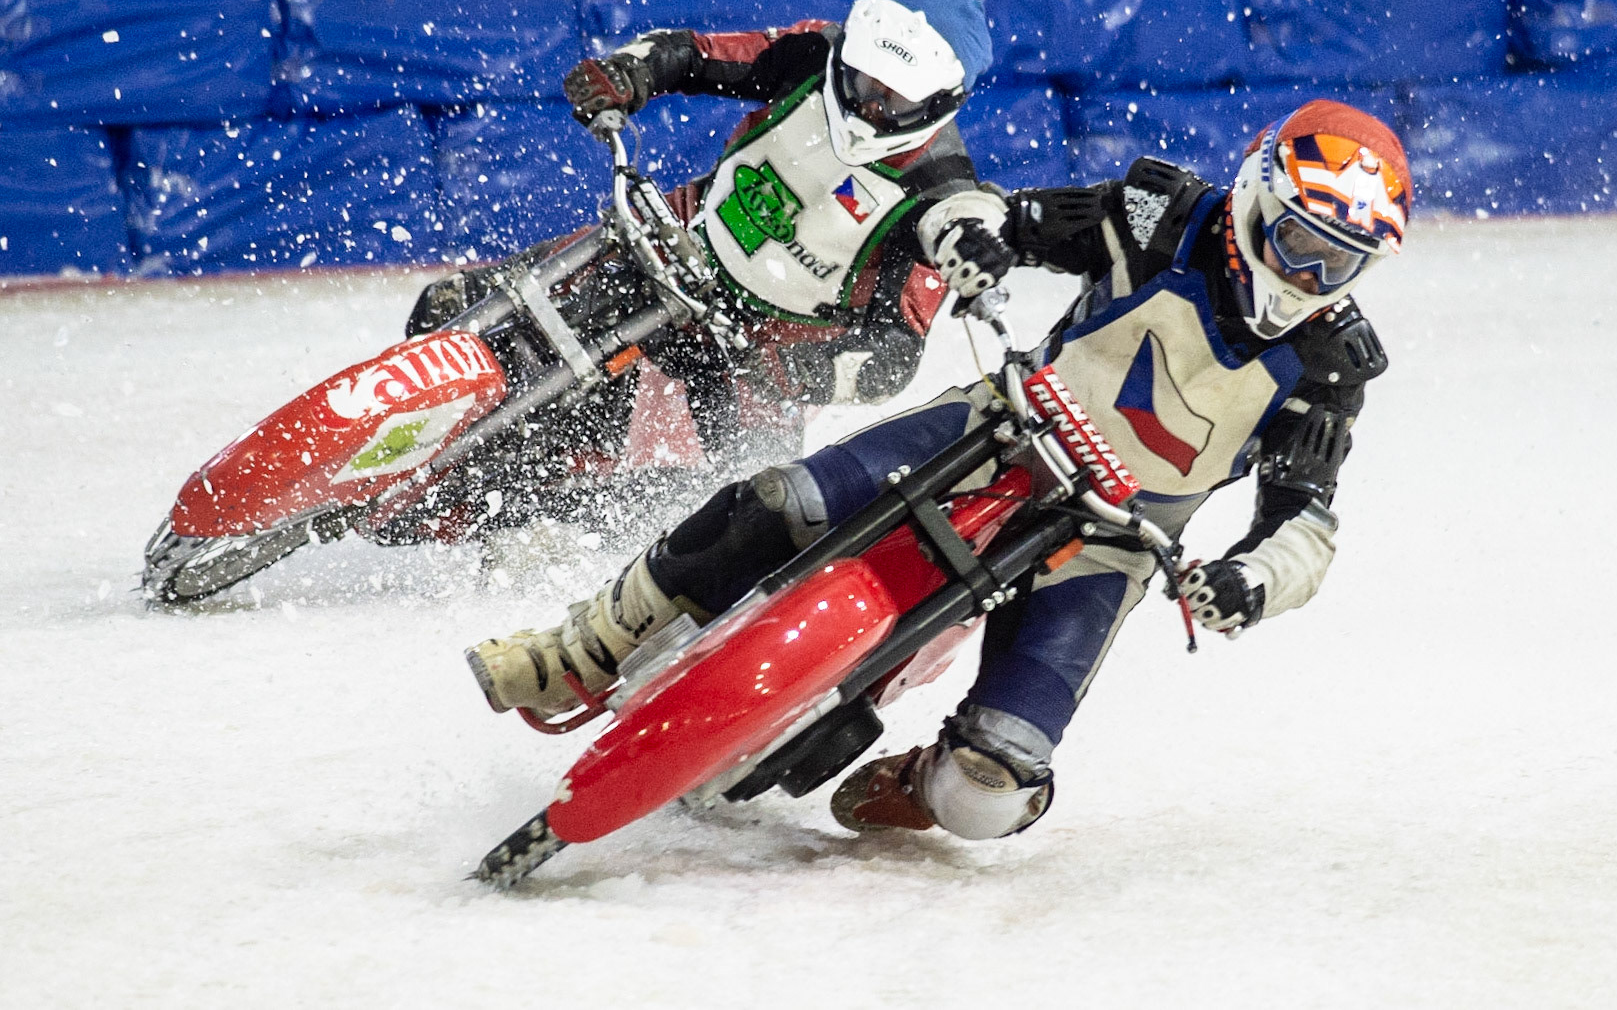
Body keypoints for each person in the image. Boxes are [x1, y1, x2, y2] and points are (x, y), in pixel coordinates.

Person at [465, 98, 1410, 841]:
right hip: (1000, 428)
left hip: (1110, 547)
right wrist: (974, 236)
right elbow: (1014, 220)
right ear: (1254, 195)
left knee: (989, 792)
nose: (1309, 278)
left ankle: (921, 780)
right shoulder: (1155, 212)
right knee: (774, 500)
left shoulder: (1334, 368)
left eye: (1341, 265)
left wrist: (1250, 581)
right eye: (1299, 243)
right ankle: (577, 651)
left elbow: (1307, 519)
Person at [392, 0, 1012, 544]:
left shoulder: (938, 187)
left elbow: (895, 356)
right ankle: (394, 436)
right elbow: (695, 54)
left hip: (752, 351)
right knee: (454, 301)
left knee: (722, 518)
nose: (868, 103)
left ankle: (524, 525)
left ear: (937, 103)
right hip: (669, 241)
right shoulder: (814, 53)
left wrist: (788, 370)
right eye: (863, 77)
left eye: (893, 98)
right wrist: (631, 75)